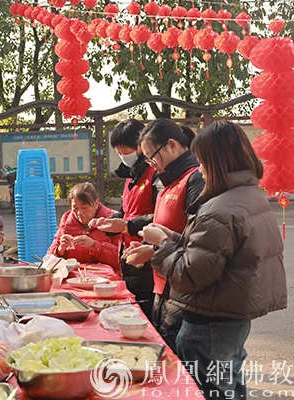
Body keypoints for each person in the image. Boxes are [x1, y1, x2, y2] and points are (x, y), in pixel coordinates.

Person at [142, 121, 286, 400]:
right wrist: (173, 238)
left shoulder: (218, 209)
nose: (199, 169)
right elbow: (214, 252)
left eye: (202, 161)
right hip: (234, 317)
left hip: (208, 323)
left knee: (210, 392)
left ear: (216, 161)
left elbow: (190, 275)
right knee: (230, 386)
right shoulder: (249, 195)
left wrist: (161, 245)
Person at [101, 119, 204, 352]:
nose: (152, 164)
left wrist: (149, 245)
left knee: (190, 363)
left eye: (152, 157)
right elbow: (160, 223)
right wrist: (127, 228)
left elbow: (196, 242)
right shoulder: (168, 179)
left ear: (172, 145)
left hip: (180, 286)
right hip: (164, 280)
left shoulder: (193, 179)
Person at [99, 119, 159, 319]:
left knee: (146, 314)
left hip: (147, 256)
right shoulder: (131, 176)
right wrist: (107, 223)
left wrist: (128, 225)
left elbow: (162, 216)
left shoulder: (154, 174)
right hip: (128, 256)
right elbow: (125, 211)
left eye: (126, 151)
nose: (123, 156)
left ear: (141, 145)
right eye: (119, 152)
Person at [47, 183, 120, 270]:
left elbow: (123, 258)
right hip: (74, 274)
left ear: (96, 203)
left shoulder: (113, 220)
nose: (79, 213)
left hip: (107, 276)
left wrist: (94, 245)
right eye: (75, 208)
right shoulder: (67, 220)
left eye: (84, 207)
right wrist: (60, 250)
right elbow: (48, 259)